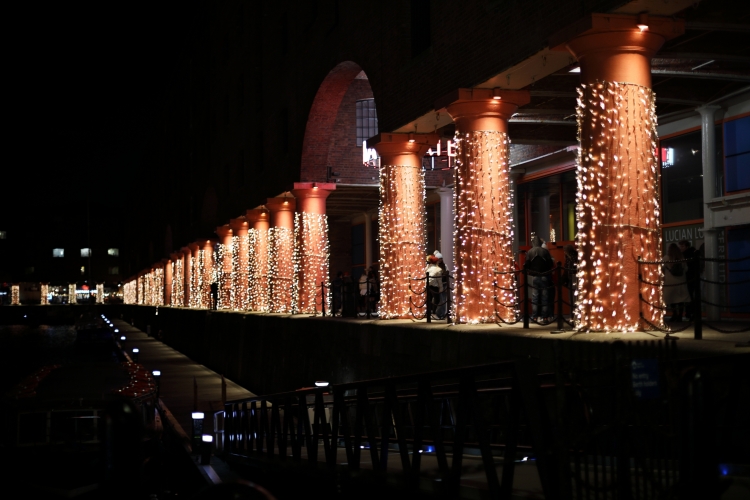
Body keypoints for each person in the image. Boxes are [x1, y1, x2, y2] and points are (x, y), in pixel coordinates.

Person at [525, 235, 554, 322]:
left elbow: (527, 265)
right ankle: (544, 317)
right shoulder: (545, 251)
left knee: (535, 298)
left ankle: (534, 317)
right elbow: (550, 264)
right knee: (545, 297)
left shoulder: (529, 252)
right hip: (545, 275)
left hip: (534, 276)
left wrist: (531, 271)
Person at [663, 243, 691, 322]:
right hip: (681, 281)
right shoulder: (681, 257)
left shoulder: (666, 257)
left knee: (672, 299)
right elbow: (686, 269)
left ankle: (674, 314)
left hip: (670, 281)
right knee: (681, 299)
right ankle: (680, 316)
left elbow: (661, 266)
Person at [678, 239, 698, 320]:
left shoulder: (684, 255)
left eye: (682, 246)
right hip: (693, 277)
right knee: (691, 296)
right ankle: (690, 313)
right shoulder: (693, 254)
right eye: (680, 246)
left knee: (688, 296)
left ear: (687, 246)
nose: (681, 248)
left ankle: (689, 313)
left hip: (688, 278)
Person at [563, 244, 578, 318]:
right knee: (574, 297)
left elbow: (567, 269)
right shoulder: (575, 256)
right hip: (574, 277)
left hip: (572, 278)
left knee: (572, 297)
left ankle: (573, 314)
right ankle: (574, 314)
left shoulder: (569, 258)